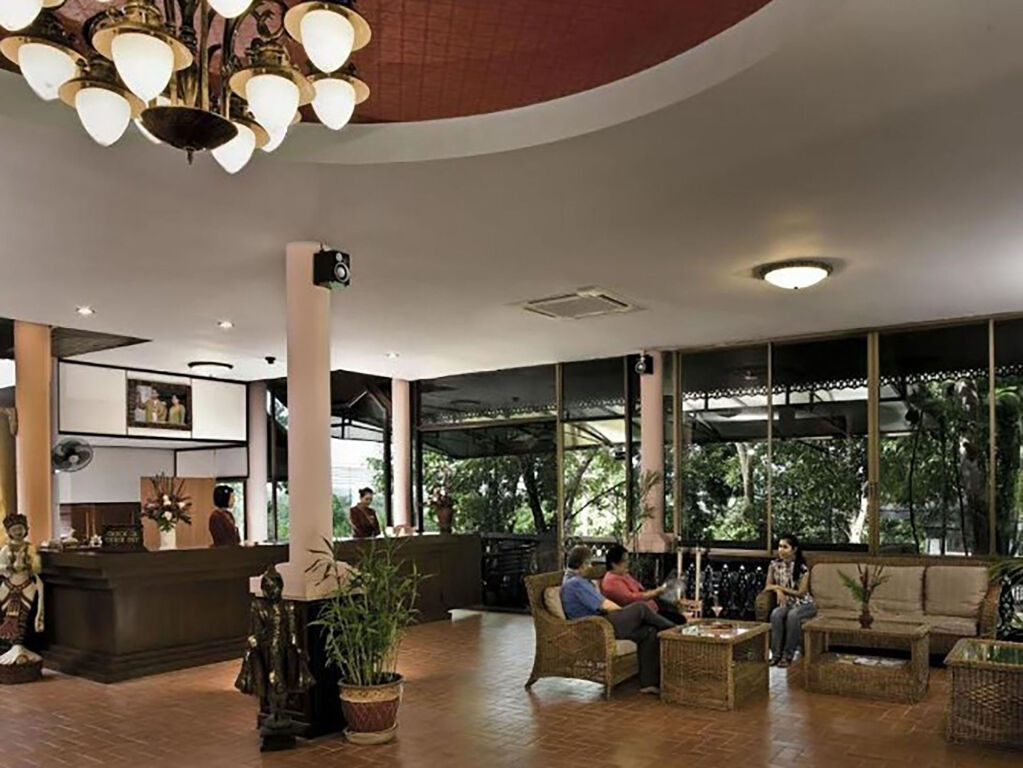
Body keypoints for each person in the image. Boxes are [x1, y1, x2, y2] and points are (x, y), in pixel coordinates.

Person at [560, 545, 676, 694]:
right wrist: (626, 615)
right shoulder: (576, 583)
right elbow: (606, 605)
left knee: (649, 631)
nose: (591, 567)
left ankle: (648, 683)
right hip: (596, 626)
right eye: (589, 563)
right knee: (640, 609)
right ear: (582, 565)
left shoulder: (570, 579)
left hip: (597, 622)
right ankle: (674, 630)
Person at [766, 533, 816, 667]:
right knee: (776, 614)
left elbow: (801, 593)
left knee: (793, 615)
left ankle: (788, 655)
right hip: (787, 604)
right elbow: (768, 586)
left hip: (805, 604)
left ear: (794, 549)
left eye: (785, 547)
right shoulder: (774, 565)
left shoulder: (802, 568)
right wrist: (777, 590)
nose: (781, 550)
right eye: (779, 546)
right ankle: (775, 655)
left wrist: (780, 588)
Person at [600, 544, 666, 612]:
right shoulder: (611, 582)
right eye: (624, 561)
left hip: (650, 608)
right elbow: (631, 599)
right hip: (638, 613)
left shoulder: (623, 575)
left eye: (628, 560)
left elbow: (640, 589)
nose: (628, 563)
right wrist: (654, 593)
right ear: (614, 564)